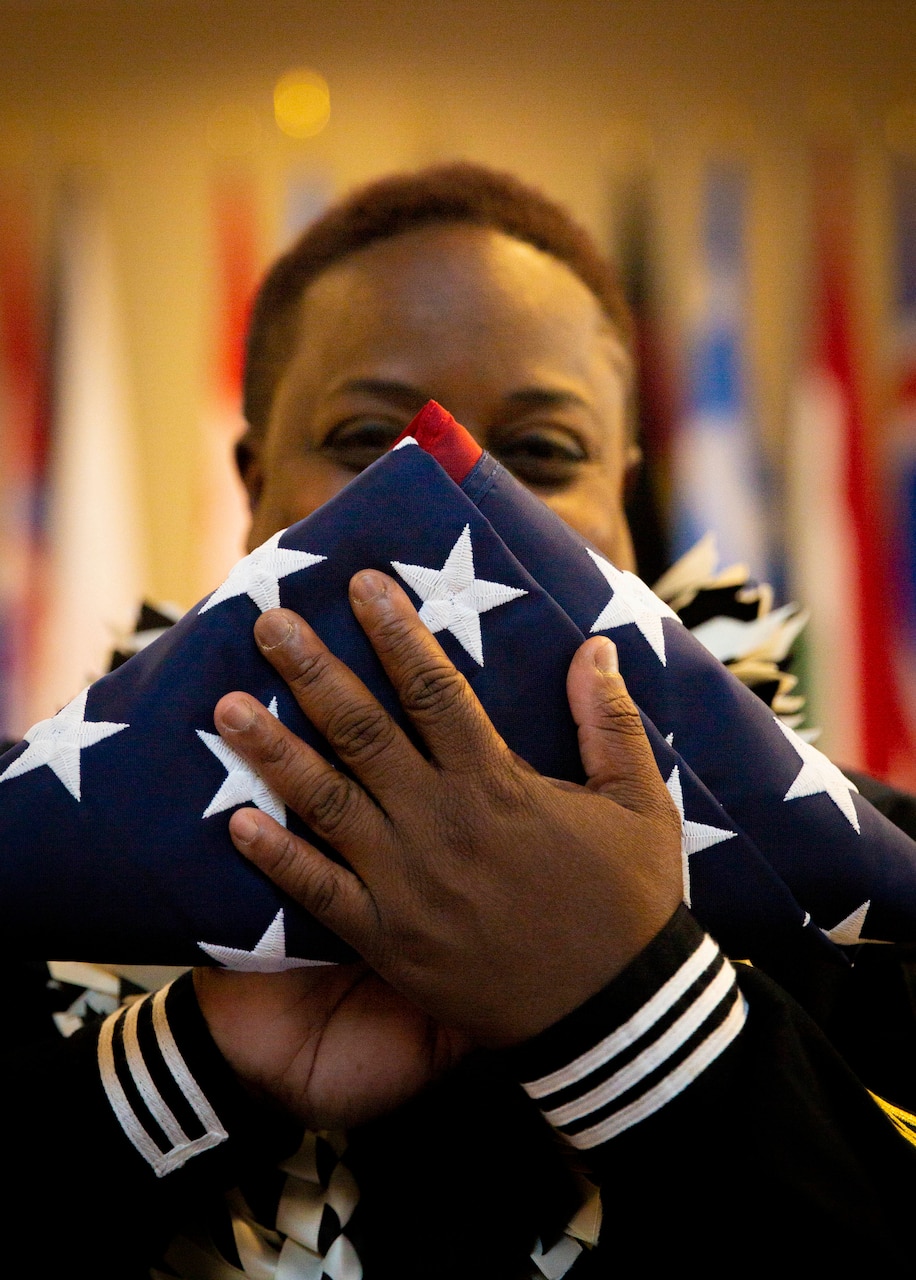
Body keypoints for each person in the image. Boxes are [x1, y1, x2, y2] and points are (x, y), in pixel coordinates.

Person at [8, 163, 916, 1277]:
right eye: (367, 438)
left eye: (539, 452)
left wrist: (631, 998)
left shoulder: (867, 902)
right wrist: (194, 1058)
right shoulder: (47, 871)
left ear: (625, 499)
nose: (454, 500)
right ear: (252, 487)